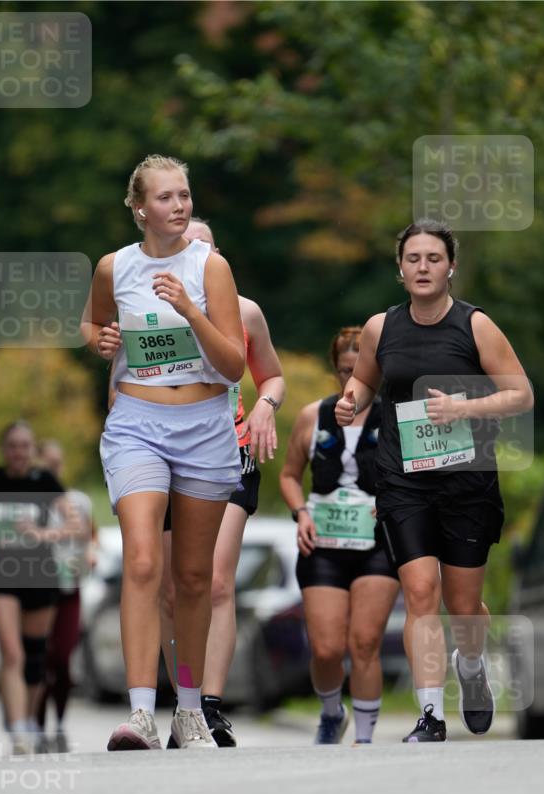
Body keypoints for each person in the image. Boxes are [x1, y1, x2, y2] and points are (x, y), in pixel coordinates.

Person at [335, 219, 534, 743]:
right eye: (414, 259)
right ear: (399, 269)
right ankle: (430, 716)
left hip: (466, 481)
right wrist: (350, 400)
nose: (423, 267)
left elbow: (520, 394)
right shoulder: (381, 327)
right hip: (404, 478)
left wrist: (463, 405)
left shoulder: (475, 326)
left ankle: (471, 665)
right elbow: (364, 378)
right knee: (420, 591)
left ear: (451, 267)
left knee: (462, 605)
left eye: (434, 259)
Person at [81, 154, 245, 751]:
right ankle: (141, 714)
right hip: (137, 422)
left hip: (204, 423)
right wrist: (99, 340)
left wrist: (190, 310)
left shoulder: (211, 267)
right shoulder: (114, 267)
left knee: (194, 577)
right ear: (138, 207)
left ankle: (190, 707)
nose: (179, 206)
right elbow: (93, 324)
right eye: (166, 197)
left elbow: (233, 367)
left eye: (185, 195)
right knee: (145, 562)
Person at [158, 218, 285, 748]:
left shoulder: (246, 312)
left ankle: (209, 704)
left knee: (213, 582)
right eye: (190, 246)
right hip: (164, 455)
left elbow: (272, 376)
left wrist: (264, 407)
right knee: (172, 590)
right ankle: (182, 706)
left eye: (208, 247)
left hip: (229, 450)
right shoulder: (151, 313)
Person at [280, 328, 400, 745]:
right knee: (328, 648)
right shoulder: (314, 415)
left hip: (377, 543)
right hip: (324, 542)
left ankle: (365, 739)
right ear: (335, 370)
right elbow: (289, 475)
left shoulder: (395, 417)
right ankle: (332, 712)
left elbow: (415, 476)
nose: (353, 380)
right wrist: (300, 513)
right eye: (345, 371)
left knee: (365, 642)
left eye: (361, 371)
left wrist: (389, 502)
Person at [0, 421, 66, 754]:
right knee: (12, 652)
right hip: (0, 572)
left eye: (25, 445)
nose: (18, 452)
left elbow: (75, 524)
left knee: (35, 655)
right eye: (12, 445)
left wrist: (43, 534)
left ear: (33, 449)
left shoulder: (45, 481)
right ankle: (18, 732)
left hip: (40, 571)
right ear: (3, 448)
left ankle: (28, 719)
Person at [35, 440, 95, 753]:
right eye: (49, 463)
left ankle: (58, 723)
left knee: (62, 658)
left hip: (69, 587)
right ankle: (36, 726)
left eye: (59, 463)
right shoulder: (29, 501)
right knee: (39, 658)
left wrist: (90, 554)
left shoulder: (78, 502)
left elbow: (89, 535)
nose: (55, 469)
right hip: (36, 590)